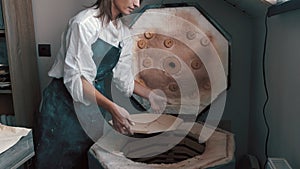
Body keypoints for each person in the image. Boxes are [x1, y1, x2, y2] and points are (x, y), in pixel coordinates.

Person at [33, 0, 166, 168]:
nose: (137, 4)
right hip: (63, 109)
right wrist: (112, 108)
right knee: (57, 162)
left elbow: (123, 79)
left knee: (87, 161)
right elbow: (77, 79)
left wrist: (150, 94)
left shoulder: (123, 34)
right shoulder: (83, 24)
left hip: (94, 110)